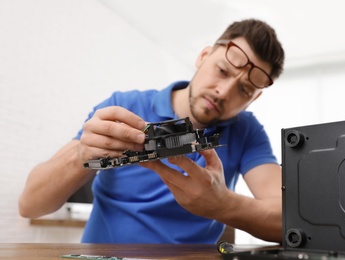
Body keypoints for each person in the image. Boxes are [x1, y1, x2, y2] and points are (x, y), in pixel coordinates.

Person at [19, 18, 285, 244]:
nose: (223, 91)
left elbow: (290, 218)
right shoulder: (123, 107)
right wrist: (80, 155)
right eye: (222, 70)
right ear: (203, 57)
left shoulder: (247, 131)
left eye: (244, 90)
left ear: (254, 99)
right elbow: (30, 205)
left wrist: (223, 204)